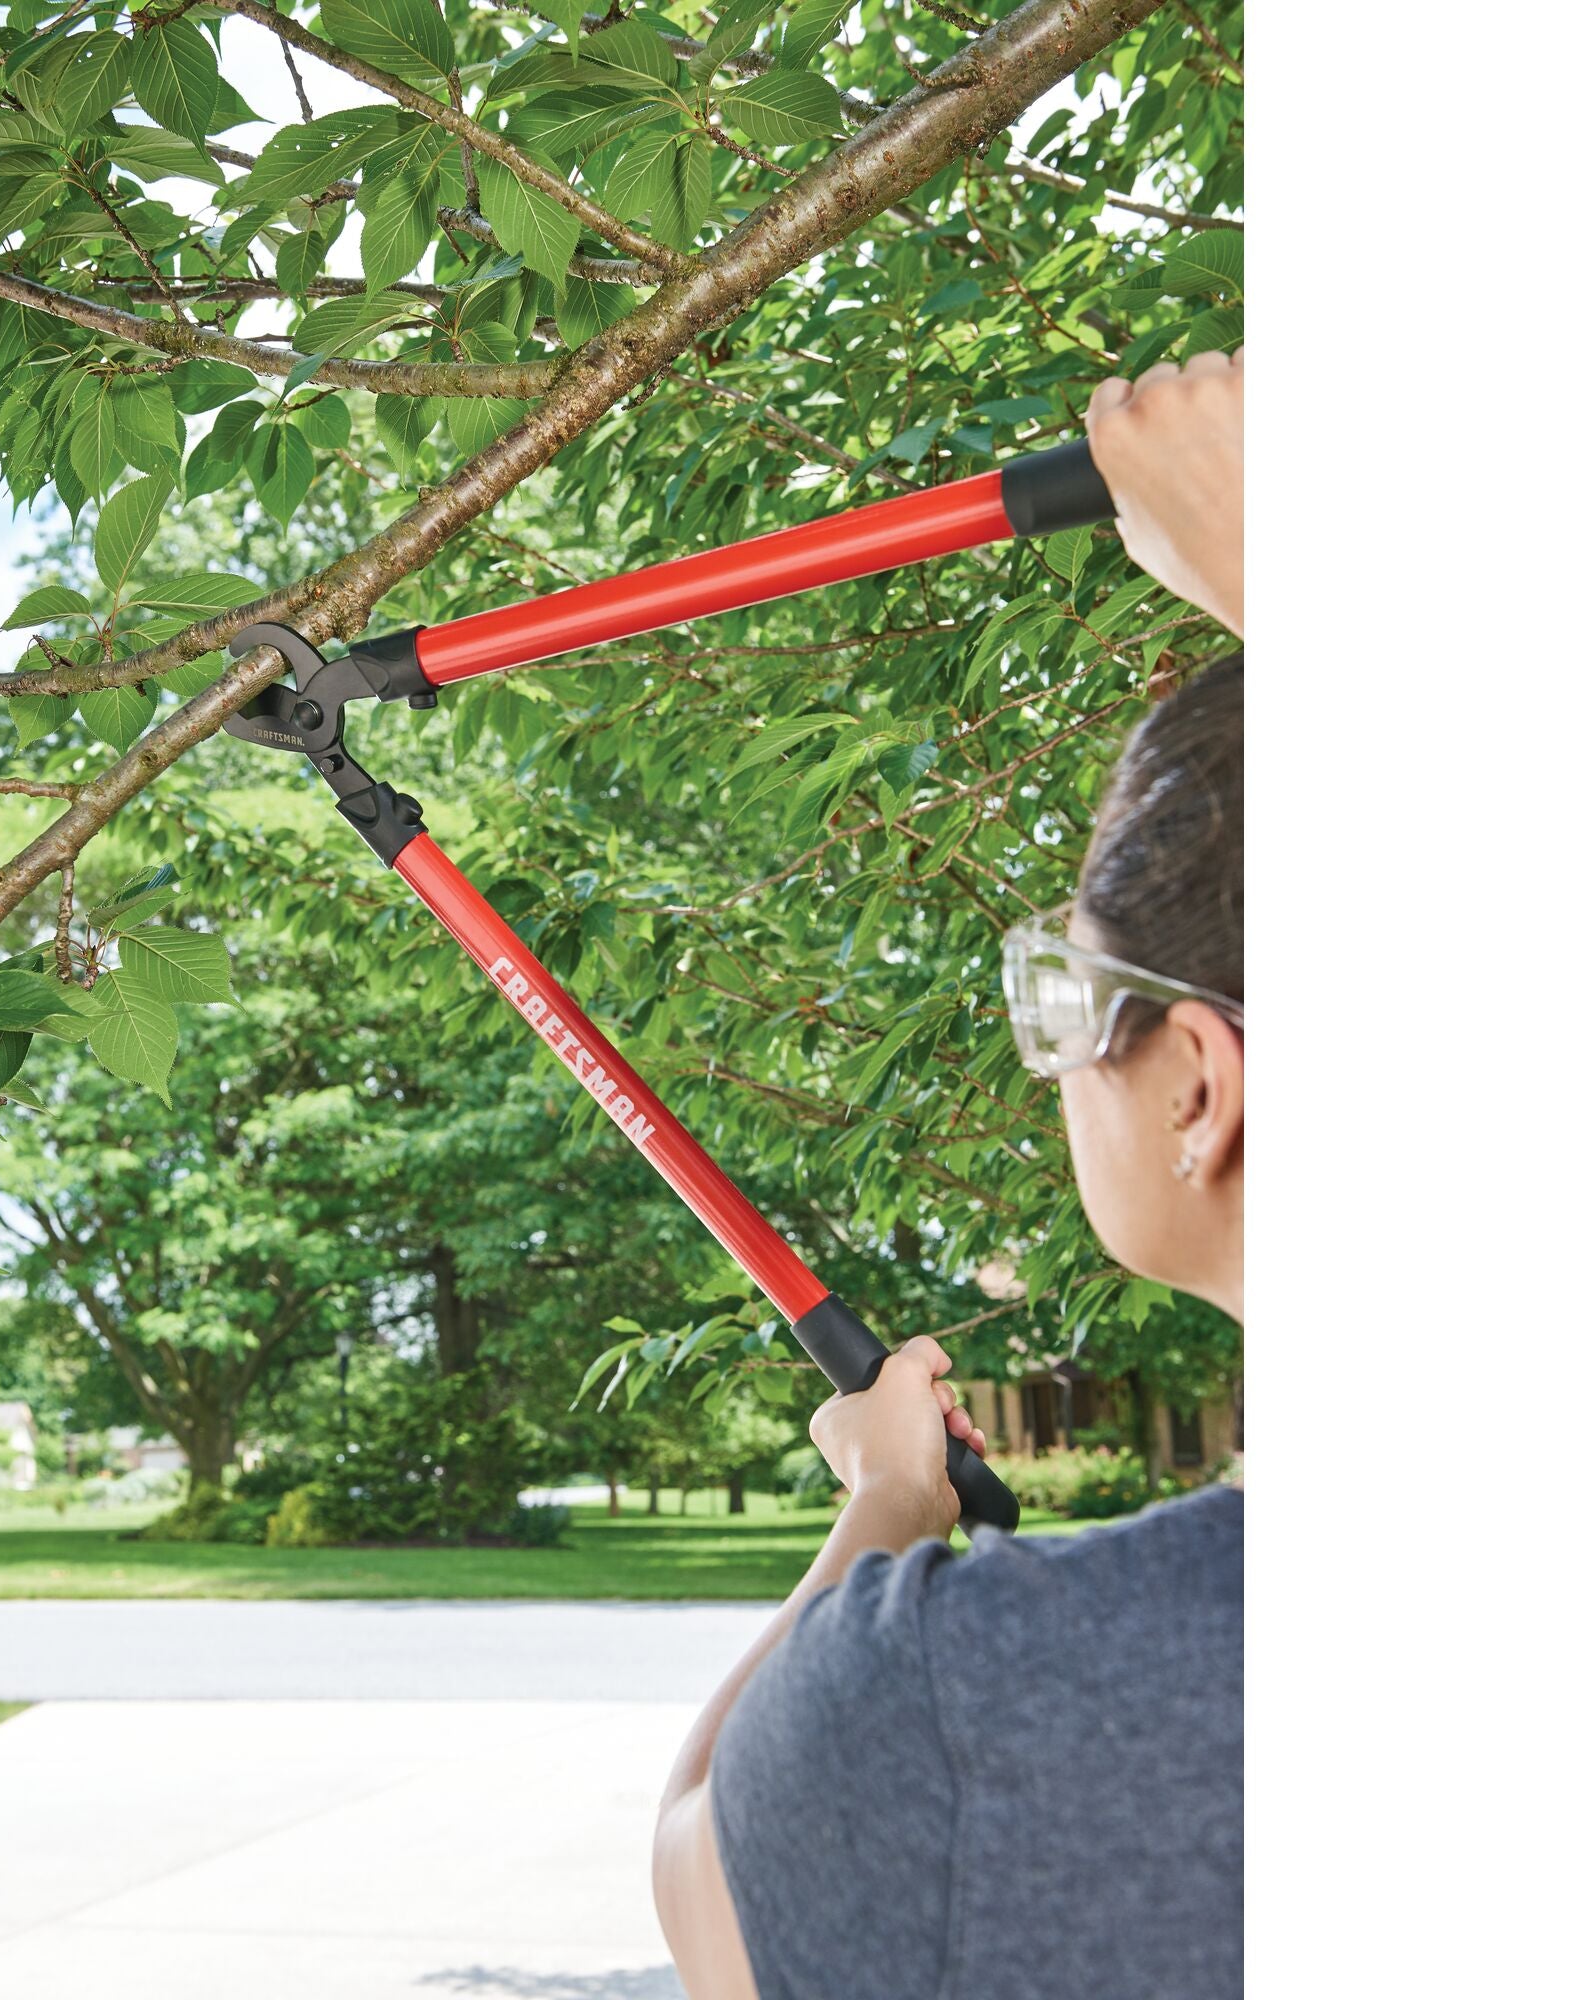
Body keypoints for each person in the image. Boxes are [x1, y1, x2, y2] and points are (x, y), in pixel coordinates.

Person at [651, 349, 1245, 2000]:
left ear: (1199, 1084)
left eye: (1061, 1000)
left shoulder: (979, 1700)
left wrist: (884, 1509)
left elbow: (708, 1860)